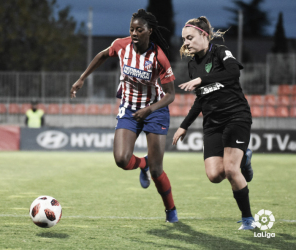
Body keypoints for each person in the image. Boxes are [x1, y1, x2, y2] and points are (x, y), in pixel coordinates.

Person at [70, 9, 178, 222]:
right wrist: (82, 78)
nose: (134, 33)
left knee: (157, 171)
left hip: (154, 111)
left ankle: (171, 210)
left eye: (139, 29)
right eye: (131, 29)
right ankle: (142, 164)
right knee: (121, 159)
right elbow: (102, 55)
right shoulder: (121, 45)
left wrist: (149, 109)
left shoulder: (159, 57)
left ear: (150, 31)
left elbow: (171, 95)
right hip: (129, 109)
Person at [172, 16, 255, 230]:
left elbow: (233, 72)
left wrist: (202, 80)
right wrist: (184, 125)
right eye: (184, 40)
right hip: (212, 124)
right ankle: (245, 157)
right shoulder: (192, 65)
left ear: (204, 35)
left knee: (230, 169)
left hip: (236, 116)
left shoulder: (220, 52)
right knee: (214, 175)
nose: (186, 43)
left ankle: (248, 219)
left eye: (189, 38)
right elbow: (201, 99)